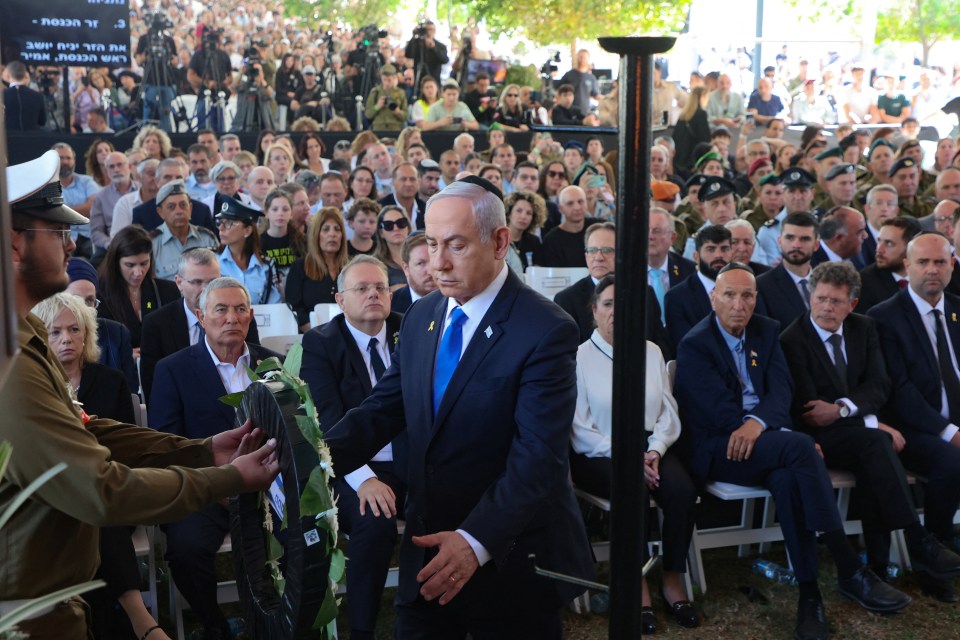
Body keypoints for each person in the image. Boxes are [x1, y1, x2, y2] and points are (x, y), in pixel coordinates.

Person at [0, 149, 279, 640]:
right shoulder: (12, 360)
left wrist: (200, 450)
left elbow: (86, 427)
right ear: (15, 244)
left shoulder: (24, 337)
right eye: (58, 232)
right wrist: (224, 478)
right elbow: (98, 488)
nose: (71, 245)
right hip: (28, 609)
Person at [323, 177, 594, 637]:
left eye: (457, 245)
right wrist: (306, 460)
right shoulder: (421, 316)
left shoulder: (545, 330)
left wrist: (475, 541)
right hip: (428, 550)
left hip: (509, 560)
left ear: (500, 242)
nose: (439, 263)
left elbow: (537, 456)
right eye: (431, 243)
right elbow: (383, 411)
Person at [675, 263, 912, 640]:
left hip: (765, 441)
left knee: (788, 479)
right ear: (712, 298)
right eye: (730, 295)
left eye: (748, 295)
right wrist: (760, 426)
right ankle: (849, 567)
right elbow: (716, 415)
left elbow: (782, 392)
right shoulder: (695, 344)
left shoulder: (766, 331)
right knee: (801, 448)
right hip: (721, 449)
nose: (740, 304)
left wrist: (761, 425)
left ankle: (809, 595)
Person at [781, 261, 960, 587]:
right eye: (820, 298)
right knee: (876, 445)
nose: (826, 308)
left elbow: (880, 385)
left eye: (836, 301)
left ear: (852, 304)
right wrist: (870, 424)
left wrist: (850, 412)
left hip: (857, 431)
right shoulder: (793, 339)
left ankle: (878, 567)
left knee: (874, 456)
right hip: (817, 439)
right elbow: (810, 411)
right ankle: (916, 539)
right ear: (810, 297)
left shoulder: (863, 328)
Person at [149, 278, 282, 640]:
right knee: (186, 549)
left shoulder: (275, 366)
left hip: (268, 487)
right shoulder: (172, 370)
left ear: (251, 315)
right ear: (201, 317)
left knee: (300, 532)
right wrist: (216, 483)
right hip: (205, 489)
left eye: (240, 309)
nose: (231, 318)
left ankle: (281, 618)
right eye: (220, 310)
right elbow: (167, 444)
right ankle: (216, 626)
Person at [569, 275, 698, 633]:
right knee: (633, 490)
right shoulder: (579, 357)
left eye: (624, 305)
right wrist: (628, 457)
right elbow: (579, 429)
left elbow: (668, 412)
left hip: (650, 446)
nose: (616, 313)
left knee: (682, 491)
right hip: (600, 451)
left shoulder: (652, 351)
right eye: (608, 304)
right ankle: (635, 585)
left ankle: (672, 579)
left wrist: (655, 449)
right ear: (594, 311)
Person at [31, 292, 164, 638]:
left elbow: (127, 449)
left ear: (87, 334)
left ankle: (122, 620)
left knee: (97, 510)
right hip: (54, 501)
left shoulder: (110, 381)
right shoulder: (33, 388)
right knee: (87, 515)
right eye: (55, 332)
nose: (67, 339)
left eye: (75, 330)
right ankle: (137, 619)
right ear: (40, 337)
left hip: (110, 489)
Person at [300, 256, 404, 639]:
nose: (374, 294)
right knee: (375, 523)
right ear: (341, 300)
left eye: (380, 287)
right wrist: (363, 479)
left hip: (411, 461)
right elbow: (327, 420)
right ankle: (362, 629)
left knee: (452, 501)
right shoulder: (320, 343)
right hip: (349, 466)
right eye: (362, 288)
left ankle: (434, 616)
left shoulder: (410, 331)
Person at [867, 233, 960, 599]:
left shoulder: (956, 309)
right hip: (913, 428)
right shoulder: (885, 316)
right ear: (906, 267)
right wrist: (949, 431)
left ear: (952, 265)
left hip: (953, 424)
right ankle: (932, 559)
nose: (932, 270)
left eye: (940, 262)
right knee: (952, 461)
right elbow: (900, 391)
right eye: (923, 262)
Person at [97, 225, 179, 355]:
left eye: (144, 263)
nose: (138, 272)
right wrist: (125, 355)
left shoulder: (168, 291)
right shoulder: (99, 296)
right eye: (130, 265)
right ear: (116, 262)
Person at [665, 224, 732, 352]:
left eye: (724, 249)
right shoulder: (677, 298)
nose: (719, 255)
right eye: (711, 249)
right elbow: (685, 346)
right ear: (696, 257)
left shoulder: (744, 289)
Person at [286, 207, 350, 331]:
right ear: (316, 234)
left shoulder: (351, 269)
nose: (332, 234)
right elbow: (294, 309)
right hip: (311, 335)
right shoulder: (299, 267)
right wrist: (320, 334)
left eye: (337, 229)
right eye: (325, 229)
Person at [756, 212, 821, 329]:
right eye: (790, 238)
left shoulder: (826, 283)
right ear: (780, 241)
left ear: (816, 245)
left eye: (805, 239)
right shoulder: (762, 286)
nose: (796, 245)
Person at [216, 196, 282, 306]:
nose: (221, 228)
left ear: (247, 230)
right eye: (220, 222)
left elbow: (274, 305)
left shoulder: (266, 265)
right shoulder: (212, 260)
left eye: (229, 223)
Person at [151, 180, 219, 280]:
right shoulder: (153, 243)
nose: (179, 211)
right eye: (171, 207)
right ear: (160, 212)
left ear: (190, 208)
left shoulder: (206, 237)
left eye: (183, 205)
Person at [857, 217, 920, 313]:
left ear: (910, 247)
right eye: (879, 241)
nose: (879, 249)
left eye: (889, 243)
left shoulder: (927, 276)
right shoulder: (864, 283)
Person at [541, 186, 601, 267]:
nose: (577, 207)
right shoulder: (551, 241)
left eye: (580, 201)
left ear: (586, 204)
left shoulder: (599, 227)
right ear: (561, 209)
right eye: (570, 203)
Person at [392, 232, 437, 314]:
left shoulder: (455, 299)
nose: (430, 271)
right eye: (420, 263)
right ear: (406, 268)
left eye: (433, 261)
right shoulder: (392, 306)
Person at [672, 87, 711, 173]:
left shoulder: (683, 115)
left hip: (680, 158)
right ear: (702, 97)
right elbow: (705, 139)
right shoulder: (701, 114)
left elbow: (675, 136)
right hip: (693, 159)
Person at [505, 191, 546, 271]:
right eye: (519, 211)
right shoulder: (498, 240)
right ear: (509, 213)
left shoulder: (534, 242)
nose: (523, 216)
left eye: (529, 213)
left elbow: (538, 271)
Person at [374, 206, 412, 288]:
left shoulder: (420, 256)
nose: (396, 228)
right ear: (381, 233)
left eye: (401, 223)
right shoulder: (375, 264)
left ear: (408, 228)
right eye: (388, 225)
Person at [404, 21, 448, 90]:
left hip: (434, 80)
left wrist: (434, 48)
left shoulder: (440, 46)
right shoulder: (417, 44)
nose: (429, 32)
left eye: (431, 29)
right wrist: (413, 37)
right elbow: (408, 55)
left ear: (434, 31)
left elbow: (445, 60)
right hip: (419, 82)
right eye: (426, 29)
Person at [3, 61, 46, 131]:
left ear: (8, 75)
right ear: (25, 75)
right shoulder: (38, 96)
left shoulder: (2, 95)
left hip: (8, 139)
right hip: (33, 139)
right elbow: (42, 122)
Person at [559, 49, 601, 115]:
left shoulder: (591, 78)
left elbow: (595, 94)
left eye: (584, 57)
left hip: (584, 112)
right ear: (577, 57)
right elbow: (559, 91)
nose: (582, 59)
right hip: (568, 112)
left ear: (588, 59)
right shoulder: (568, 75)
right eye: (580, 57)